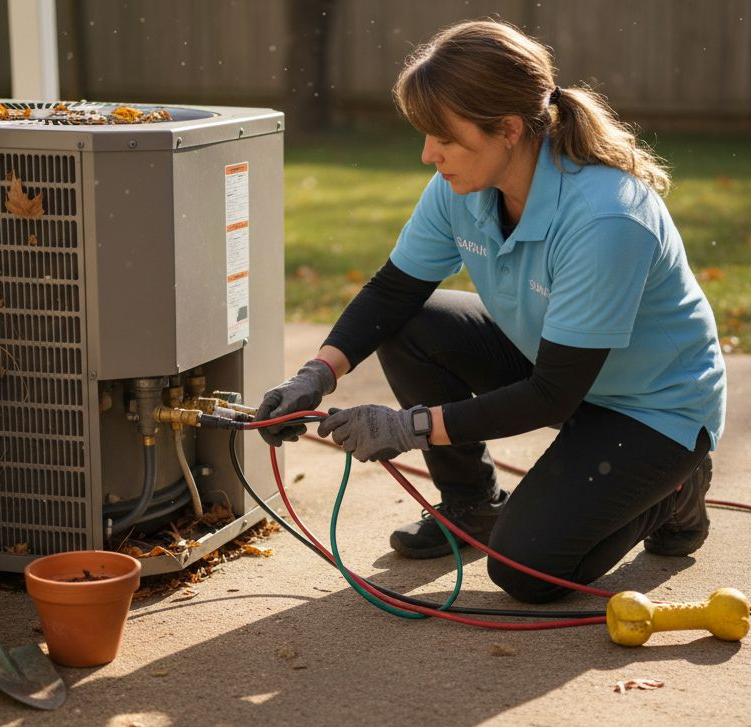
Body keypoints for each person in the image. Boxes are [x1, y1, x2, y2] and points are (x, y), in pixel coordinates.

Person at [255, 19, 725, 604]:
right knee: (412, 324)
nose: (429, 155)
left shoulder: (606, 219)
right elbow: (392, 291)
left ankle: (673, 491)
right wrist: (316, 373)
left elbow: (554, 395)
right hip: (557, 364)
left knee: (524, 571)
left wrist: (410, 427)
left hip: (652, 408)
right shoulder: (466, 187)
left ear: (507, 129)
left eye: (444, 139)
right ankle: (472, 506)